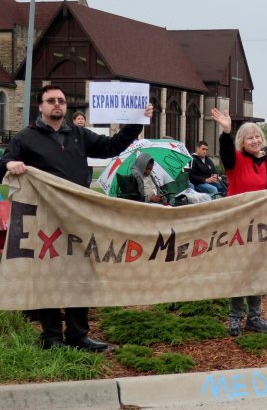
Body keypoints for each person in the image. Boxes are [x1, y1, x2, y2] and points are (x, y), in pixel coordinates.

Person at [0, 84, 153, 351]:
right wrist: (9, 164)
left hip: (78, 219)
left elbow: (111, 147)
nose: (57, 104)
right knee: (47, 275)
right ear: (41, 106)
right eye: (51, 101)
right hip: (44, 220)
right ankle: (51, 337)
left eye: (61, 100)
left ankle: (78, 335)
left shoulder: (78, 135)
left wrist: (135, 123)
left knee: (80, 273)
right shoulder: (25, 137)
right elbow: (4, 164)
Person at [211, 108, 267, 336]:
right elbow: (226, 155)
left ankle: (254, 316)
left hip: (265, 229)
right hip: (238, 228)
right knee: (239, 271)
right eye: (249, 137)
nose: (255, 140)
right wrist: (226, 132)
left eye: (257, 136)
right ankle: (234, 317)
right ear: (241, 142)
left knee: (257, 271)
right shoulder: (237, 161)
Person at [71, 111, 93, 186]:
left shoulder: (90, 134)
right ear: (74, 121)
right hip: (75, 165)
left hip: (88, 165)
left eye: (82, 119)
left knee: (87, 185)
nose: (80, 120)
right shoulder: (70, 133)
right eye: (78, 119)